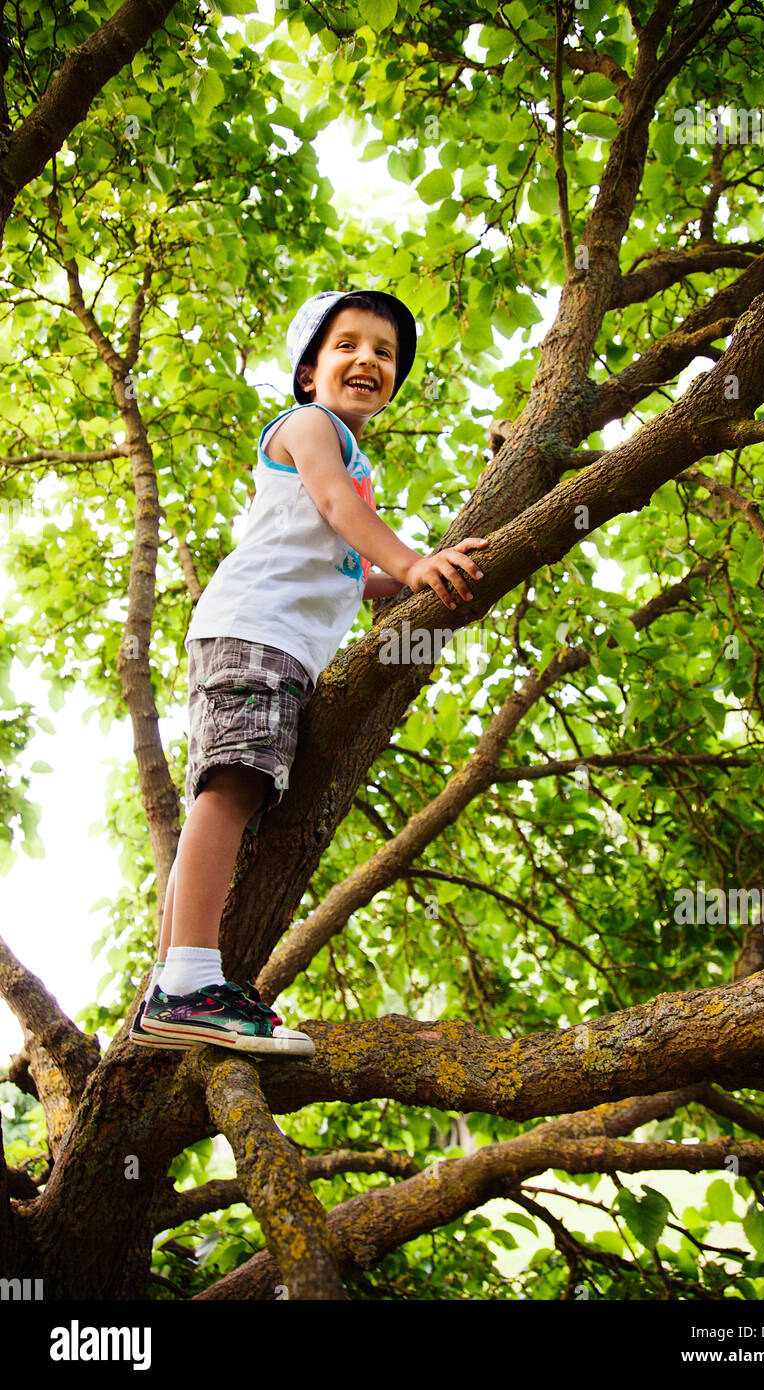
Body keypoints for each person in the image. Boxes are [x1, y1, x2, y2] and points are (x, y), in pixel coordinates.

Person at [132, 288, 488, 1054]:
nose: (367, 360)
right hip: (255, 631)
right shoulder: (312, 427)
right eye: (347, 346)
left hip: (276, 642)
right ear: (307, 374)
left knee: (235, 789)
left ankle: (174, 984)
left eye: (384, 353)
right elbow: (332, 504)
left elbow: (351, 570)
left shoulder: (355, 466)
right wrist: (412, 559)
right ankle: (189, 984)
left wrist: (405, 577)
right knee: (231, 784)